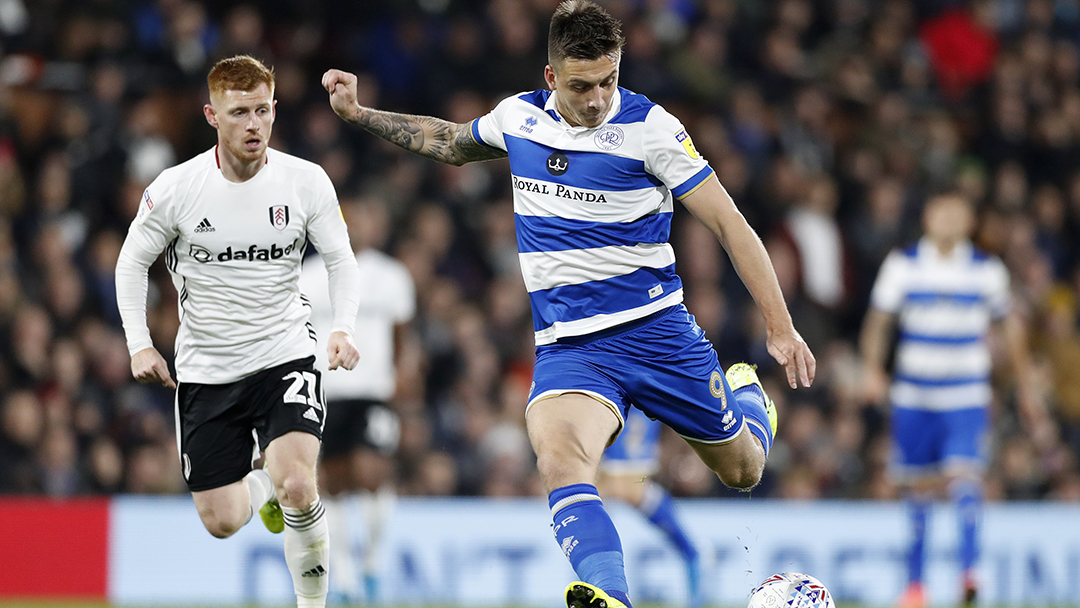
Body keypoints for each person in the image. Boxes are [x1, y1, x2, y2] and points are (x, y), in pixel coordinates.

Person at [322, 3, 815, 607]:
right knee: (559, 456)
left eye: (608, 81)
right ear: (551, 77)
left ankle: (746, 398)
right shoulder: (519, 118)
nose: (597, 98)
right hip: (571, 349)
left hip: (659, 334)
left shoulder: (652, 129)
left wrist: (780, 327)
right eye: (582, 85)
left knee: (743, 470)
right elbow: (449, 141)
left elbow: (729, 224)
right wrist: (358, 112)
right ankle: (611, 596)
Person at [115, 55, 362, 608]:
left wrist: (342, 328)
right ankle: (259, 486)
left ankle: (313, 603)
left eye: (263, 111)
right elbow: (130, 264)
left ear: (274, 111)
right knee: (222, 521)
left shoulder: (305, 181)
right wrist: (138, 343)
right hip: (208, 369)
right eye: (239, 113)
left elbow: (341, 261)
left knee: (299, 483)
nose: (254, 124)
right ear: (212, 115)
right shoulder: (176, 189)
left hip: (286, 353)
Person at [860, 192, 1045, 608]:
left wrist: (1027, 385)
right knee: (918, 489)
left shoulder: (986, 270)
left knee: (965, 477)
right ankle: (916, 588)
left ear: (968, 222)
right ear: (927, 216)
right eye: (941, 211)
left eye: (957, 214)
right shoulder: (903, 264)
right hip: (914, 393)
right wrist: (872, 369)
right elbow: (879, 321)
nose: (948, 220)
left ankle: (969, 573)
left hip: (965, 393)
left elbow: (1011, 330)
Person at [298, 196, 416, 603]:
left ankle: (373, 561)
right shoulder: (310, 276)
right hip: (324, 392)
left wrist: (401, 374)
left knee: (373, 473)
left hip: (373, 391)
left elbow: (403, 334)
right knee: (331, 482)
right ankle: (346, 577)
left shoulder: (393, 275)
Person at [596, 409, 701, 608]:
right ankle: (696, 592)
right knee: (690, 551)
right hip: (634, 478)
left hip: (625, 476)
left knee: (593, 539)